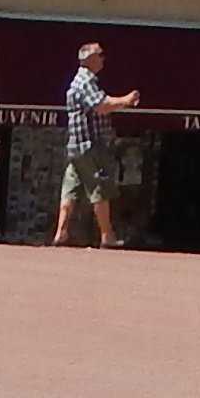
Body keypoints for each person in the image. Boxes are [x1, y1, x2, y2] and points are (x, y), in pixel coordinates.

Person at [56, 40, 143, 245]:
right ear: (89, 59)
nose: (104, 58)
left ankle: (61, 232)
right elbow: (101, 106)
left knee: (70, 190)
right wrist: (126, 100)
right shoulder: (85, 82)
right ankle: (107, 236)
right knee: (100, 189)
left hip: (76, 148)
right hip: (90, 146)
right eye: (100, 54)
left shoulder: (80, 82)